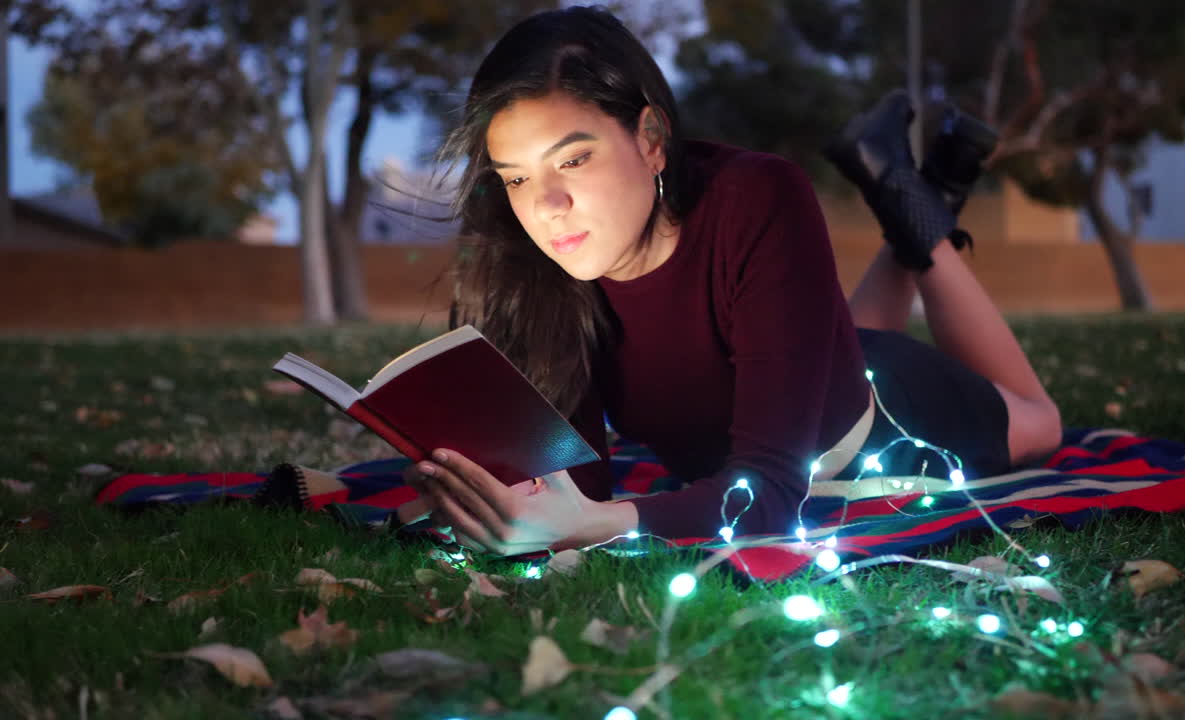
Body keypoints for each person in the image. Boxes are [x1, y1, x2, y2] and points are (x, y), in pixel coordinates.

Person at [400, 5, 1061, 556]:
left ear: (652, 138)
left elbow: (769, 493)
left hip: (886, 425)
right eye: (516, 176)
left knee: (1042, 423)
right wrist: (486, 490)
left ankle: (911, 199)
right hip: (811, 367)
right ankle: (914, 187)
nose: (546, 204)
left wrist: (600, 525)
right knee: (838, 337)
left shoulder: (757, 196)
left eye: (573, 158)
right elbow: (579, 490)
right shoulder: (544, 268)